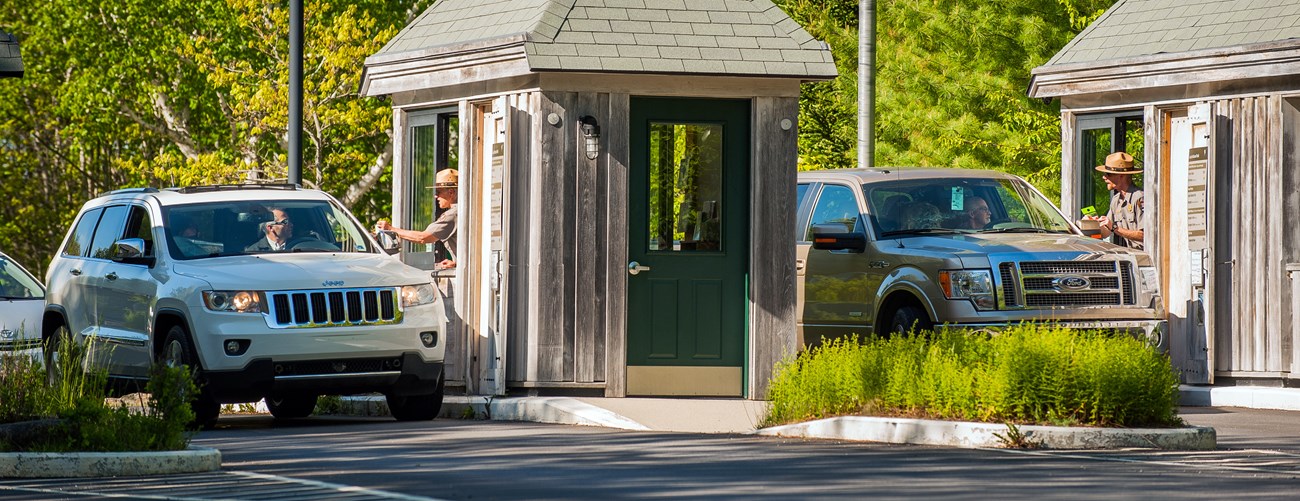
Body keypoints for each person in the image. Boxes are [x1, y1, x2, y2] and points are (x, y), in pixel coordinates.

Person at [376, 168, 458, 268]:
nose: (435, 196)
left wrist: (390, 229)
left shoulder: (452, 215)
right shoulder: (464, 211)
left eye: (438, 192)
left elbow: (423, 238)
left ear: (451, 192)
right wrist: (456, 263)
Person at [1085, 151, 1145, 250]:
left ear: (1121, 176)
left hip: (1146, 257)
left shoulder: (1140, 198)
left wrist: (1114, 228)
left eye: (1108, 174)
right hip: (1132, 254)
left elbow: (1145, 236)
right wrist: (1091, 225)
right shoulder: (1116, 200)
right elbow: (1106, 231)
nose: (1104, 177)